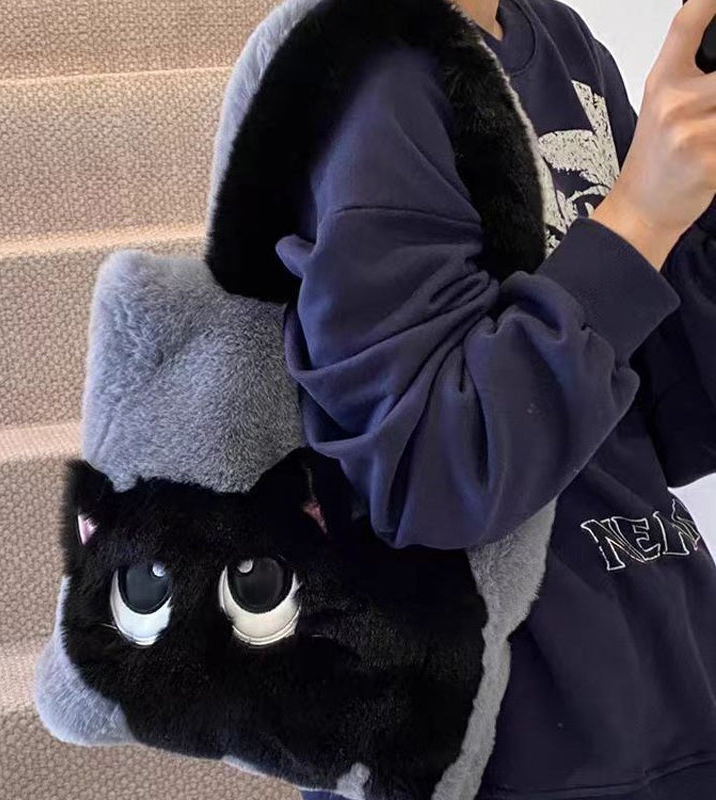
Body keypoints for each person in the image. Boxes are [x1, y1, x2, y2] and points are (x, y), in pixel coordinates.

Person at [275, 0, 716, 797]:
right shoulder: (363, 69)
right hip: (513, 751)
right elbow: (430, 478)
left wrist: (694, 208)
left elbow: (674, 419)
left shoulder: (562, 40)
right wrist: (641, 218)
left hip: (664, 690)